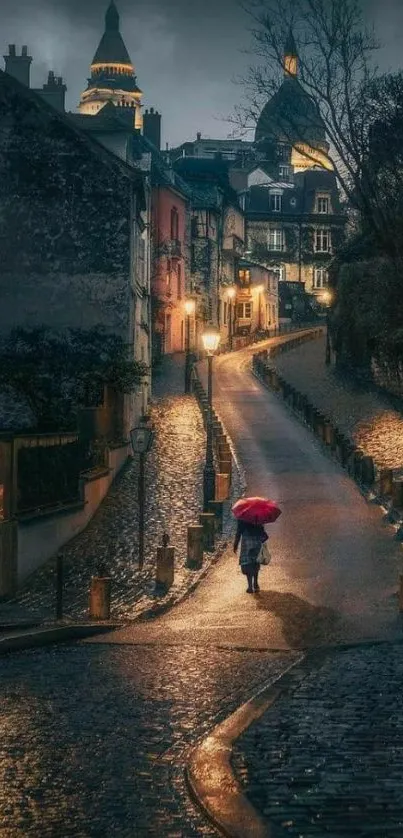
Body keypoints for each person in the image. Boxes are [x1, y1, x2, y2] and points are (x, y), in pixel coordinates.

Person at [233, 520, 268, 593]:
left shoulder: (242, 517)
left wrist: (235, 545)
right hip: (257, 541)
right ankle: (255, 583)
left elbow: (239, 532)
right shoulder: (258, 515)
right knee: (256, 562)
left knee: (247, 563)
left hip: (246, 542)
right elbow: (262, 531)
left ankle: (250, 586)